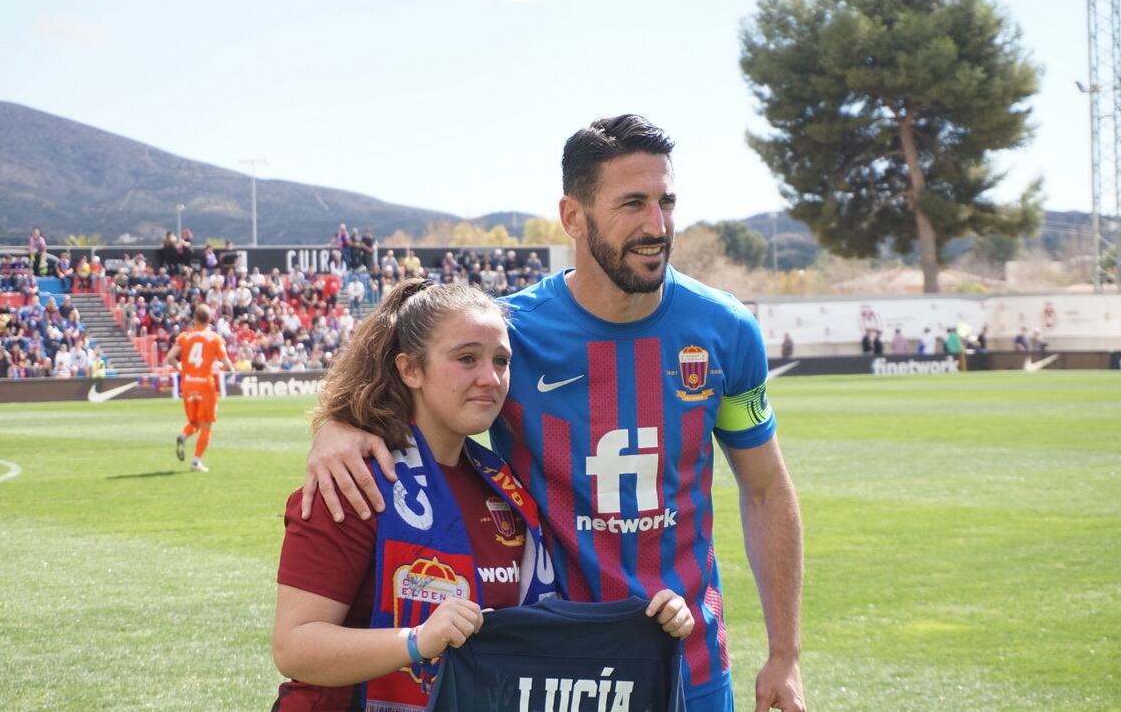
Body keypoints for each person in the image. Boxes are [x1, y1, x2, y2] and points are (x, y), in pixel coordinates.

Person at [301, 115, 806, 712]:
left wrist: (784, 654)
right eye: (633, 204)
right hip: (551, 676)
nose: (657, 225)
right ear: (573, 217)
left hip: (687, 665)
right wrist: (336, 425)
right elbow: (409, 392)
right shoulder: (510, 336)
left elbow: (767, 491)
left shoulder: (726, 330)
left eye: (667, 201)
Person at [271, 279, 692, 710]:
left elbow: (535, 636)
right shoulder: (354, 479)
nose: (490, 378)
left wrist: (648, 621)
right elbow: (295, 648)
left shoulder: (505, 488)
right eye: (466, 358)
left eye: (501, 361)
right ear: (410, 369)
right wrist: (417, 641)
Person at [163, 304, 235, 472]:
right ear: (209, 320)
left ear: (194, 319)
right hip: (205, 385)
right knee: (206, 425)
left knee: (194, 422)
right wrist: (220, 367)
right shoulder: (215, 338)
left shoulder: (184, 336)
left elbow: (170, 357)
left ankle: (184, 435)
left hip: (188, 384)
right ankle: (196, 461)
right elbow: (227, 364)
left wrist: (181, 369)